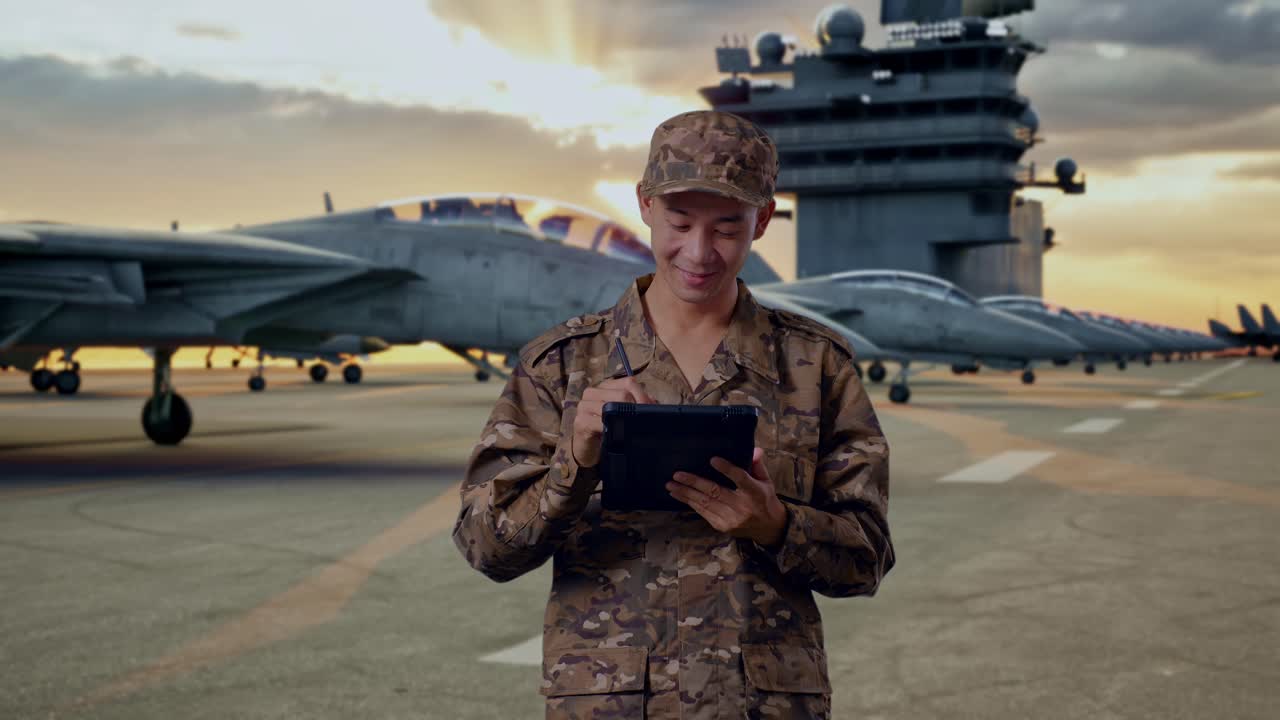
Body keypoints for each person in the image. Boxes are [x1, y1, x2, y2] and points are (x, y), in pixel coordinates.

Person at [452, 110, 893, 719]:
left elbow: (866, 558)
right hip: (611, 703)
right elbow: (485, 546)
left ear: (762, 220)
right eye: (679, 222)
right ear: (644, 205)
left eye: (728, 228)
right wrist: (574, 462)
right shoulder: (563, 365)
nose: (700, 252)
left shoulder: (815, 365)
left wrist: (775, 524)